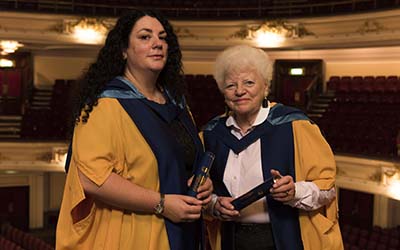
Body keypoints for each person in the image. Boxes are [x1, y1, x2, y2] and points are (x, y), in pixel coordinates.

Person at [56, 10, 212, 250]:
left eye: (162, 38)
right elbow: (91, 179)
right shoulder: (104, 104)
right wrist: (161, 203)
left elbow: (187, 161)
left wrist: (203, 183)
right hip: (130, 233)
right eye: (145, 37)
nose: (157, 43)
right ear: (123, 50)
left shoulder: (177, 104)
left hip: (182, 231)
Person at [202, 45, 343, 250]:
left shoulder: (295, 126)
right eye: (231, 85)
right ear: (223, 92)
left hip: (285, 239)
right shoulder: (211, 134)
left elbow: (327, 189)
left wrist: (294, 191)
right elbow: (202, 192)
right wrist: (214, 205)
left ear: (266, 86)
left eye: (249, 82)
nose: (240, 91)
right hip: (231, 240)